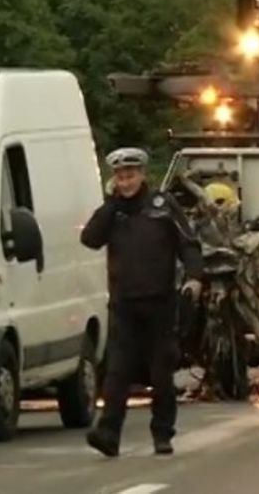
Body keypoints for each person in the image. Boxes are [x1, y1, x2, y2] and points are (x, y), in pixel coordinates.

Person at [80, 147, 204, 457]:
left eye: (131, 176)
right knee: (117, 373)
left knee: (161, 373)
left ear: (142, 174)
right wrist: (111, 204)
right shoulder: (113, 211)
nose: (126, 182)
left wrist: (194, 277)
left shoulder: (162, 206)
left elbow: (188, 244)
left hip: (160, 303)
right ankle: (109, 433)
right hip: (124, 304)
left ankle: (162, 434)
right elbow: (90, 238)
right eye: (120, 177)